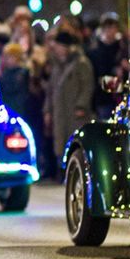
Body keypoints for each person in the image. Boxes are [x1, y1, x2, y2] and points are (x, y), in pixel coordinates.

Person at [43, 30, 93, 181]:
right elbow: (51, 90)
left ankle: (74, 173)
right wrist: (47, 110)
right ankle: (62, 171)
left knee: (73, 140)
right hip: (60, 111)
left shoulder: (81, 63)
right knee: (60, 141)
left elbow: (87, 86)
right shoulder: (58, 66)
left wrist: (81, 106)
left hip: (74, 112)